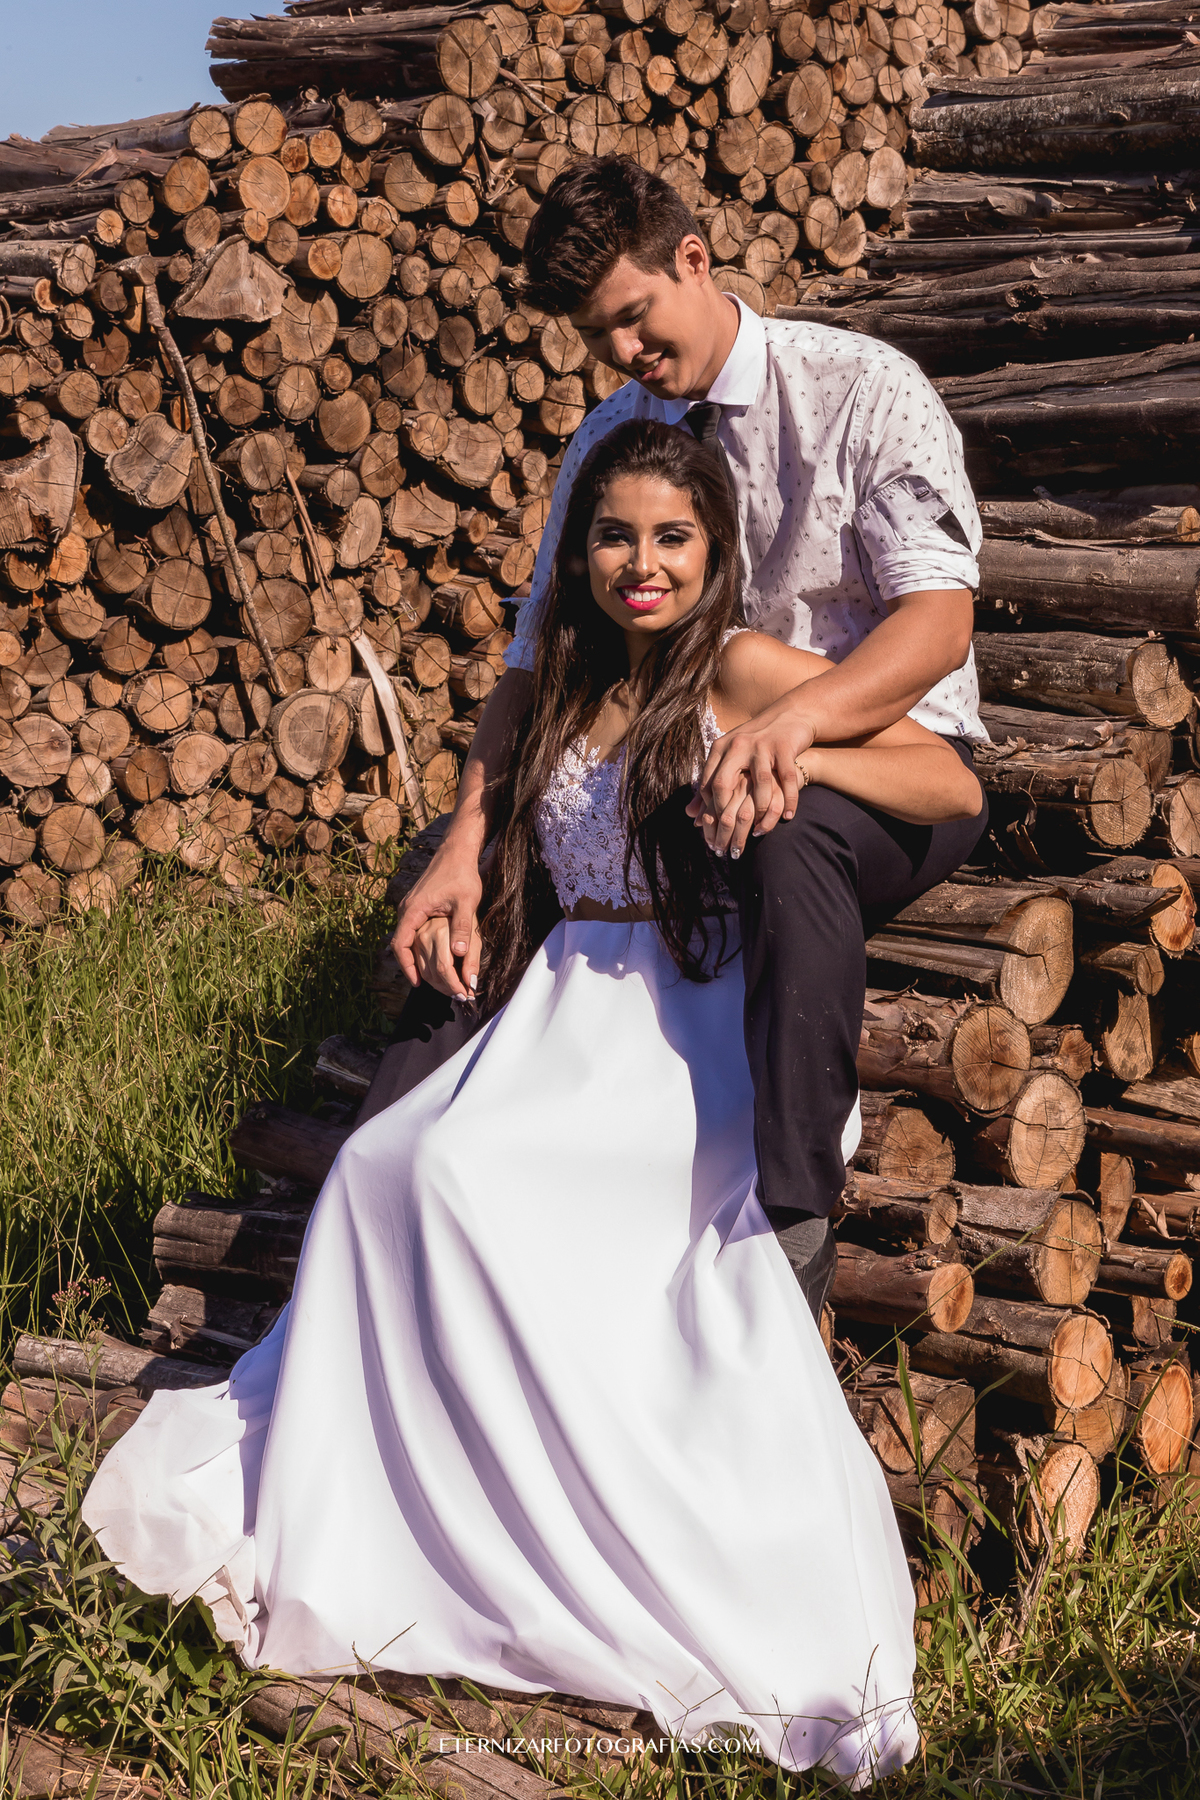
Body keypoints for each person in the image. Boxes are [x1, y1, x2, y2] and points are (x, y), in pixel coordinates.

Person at [83, 422, 982, 1786]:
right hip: (564, 997)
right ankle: (404, 1508)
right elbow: (504, 809)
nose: (641, 563)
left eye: (672, 538)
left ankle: (573, 1535)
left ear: (716, 552)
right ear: (581, 550)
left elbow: (947, 781)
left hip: (687, 1015)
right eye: (615, 535)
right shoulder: (560, 678)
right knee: (390, 1168)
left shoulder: (741, 664)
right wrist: (460, 855)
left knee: (487, 1188)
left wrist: (790, 743)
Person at [383, 156, 990, 1324]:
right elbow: (534, 663)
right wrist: (464, 842)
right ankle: (386, 1168)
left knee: (788, 835)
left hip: (885, 758)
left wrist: (799, 723)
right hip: (682, 754)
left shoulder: (862, 388)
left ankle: (792, 1218)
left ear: (693, 261)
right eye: (594, 335)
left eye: (634, 317)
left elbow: (937, 624)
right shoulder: (612, 435)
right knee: (468, 875)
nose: (622, 353)